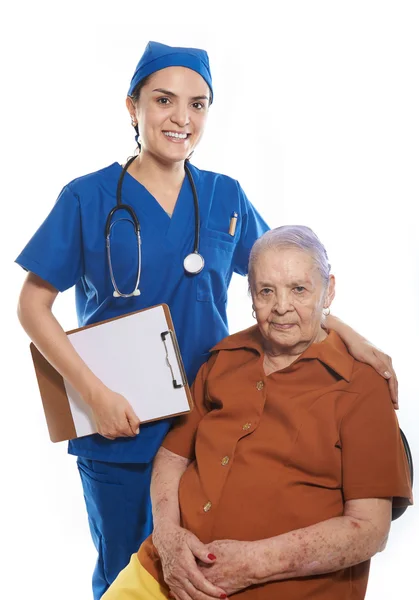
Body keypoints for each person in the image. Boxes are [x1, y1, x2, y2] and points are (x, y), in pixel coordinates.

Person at [15, 42, 398, 599]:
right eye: (164, 100)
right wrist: (94, 395)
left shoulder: (225, 196)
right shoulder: (86, 197)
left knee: (200, 575)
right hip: (121, 423)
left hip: (210, 420)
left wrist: (356, 340)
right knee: (128, 572)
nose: (182, 118)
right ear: (133, 106)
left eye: (198, 104)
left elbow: (285, 281)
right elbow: (31, 305)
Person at [103, 225, 412, 600]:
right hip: (167, 571)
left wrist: (251, 564)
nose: (281, 306)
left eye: (299, 289)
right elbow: (172, 455)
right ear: (250, 296)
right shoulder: (223, 359)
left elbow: (370, 529)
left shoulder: (363, 386)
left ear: (328, 290)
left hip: (275, 589)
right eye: (266, 291)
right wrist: (168, 538)